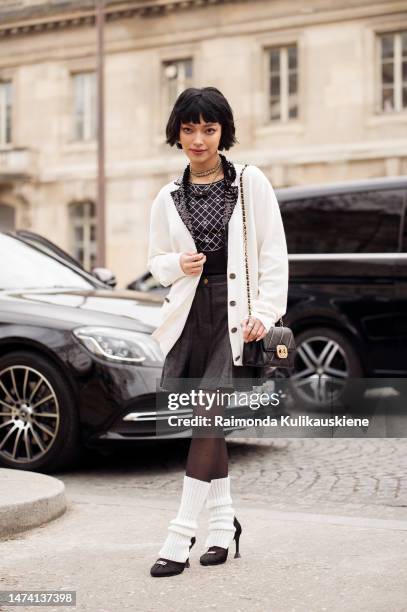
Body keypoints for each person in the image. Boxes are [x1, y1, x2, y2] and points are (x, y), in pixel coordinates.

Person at [147, 87, 289, 577]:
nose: (199, 139)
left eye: (209, 129)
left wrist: (266, 314)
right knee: (207, 419)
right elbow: (155, 263)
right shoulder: (168, 196)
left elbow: (273, 254)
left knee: (206, 418)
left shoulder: (250, 183)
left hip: (236, 317)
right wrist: (177, 263)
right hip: (191, 317)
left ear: (224, 131)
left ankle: (180, 531)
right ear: (177, 133)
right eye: (189, 129)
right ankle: (225, 525)